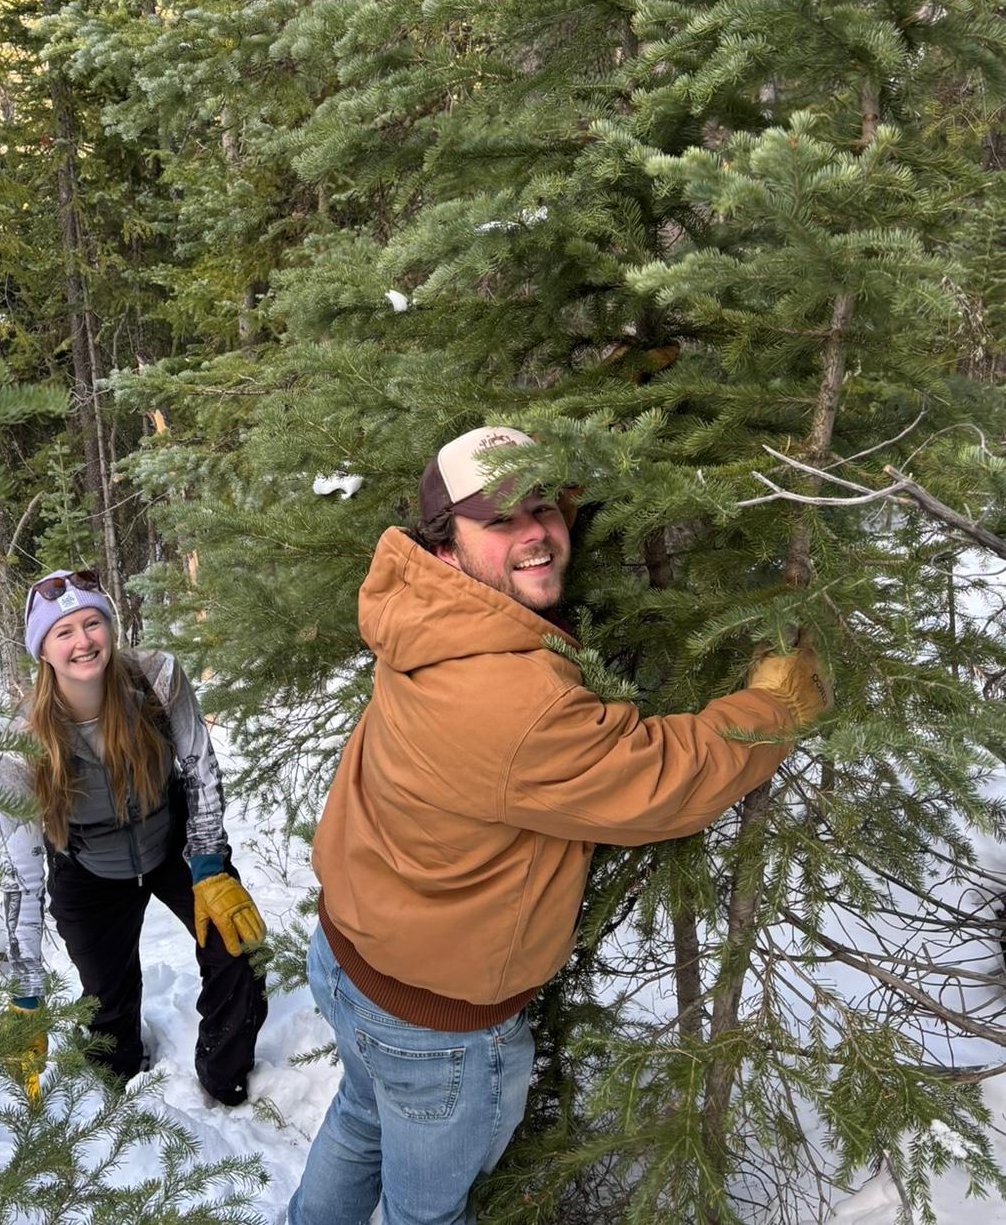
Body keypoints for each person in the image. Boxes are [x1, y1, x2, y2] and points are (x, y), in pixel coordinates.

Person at [288, 428, 831, 1225]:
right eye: (499, 519)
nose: (535, 532)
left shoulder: (423, 612)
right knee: (428, 1214)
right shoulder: (509, 699)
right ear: (447, 545)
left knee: (361, 1119)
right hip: (435, 1026)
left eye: (545, 506)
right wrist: (774, 710)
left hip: (351, 956)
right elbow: (657, 778)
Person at [0, 568, 269, 1106]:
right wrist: (26, 992)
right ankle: (114, 1098)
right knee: (107, 1007)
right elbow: (21, 875)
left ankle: (224, 1079)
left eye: (92, 623)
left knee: (239, 955)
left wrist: (209, 865)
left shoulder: (156, 680)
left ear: (110, 627)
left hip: (173, 845)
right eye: (64, 632)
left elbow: (199, 769)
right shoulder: (20, 743)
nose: (83, 641)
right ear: (43, 651)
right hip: (87, 868)